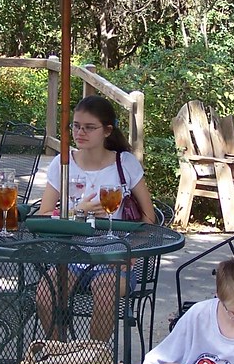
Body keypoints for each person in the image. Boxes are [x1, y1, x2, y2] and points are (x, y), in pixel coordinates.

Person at [36, 95, 156, 340]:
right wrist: (78, 212)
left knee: (104, 293)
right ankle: (59, 356)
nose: (80, 132)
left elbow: (149, 218)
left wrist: (129, 251)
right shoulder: (64, 163)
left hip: (114, 256)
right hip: (71, 254)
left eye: (89, 127)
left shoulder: (125, 163)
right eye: (76, 126)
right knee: (45, 295)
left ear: (107, 131)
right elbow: (43, 215)